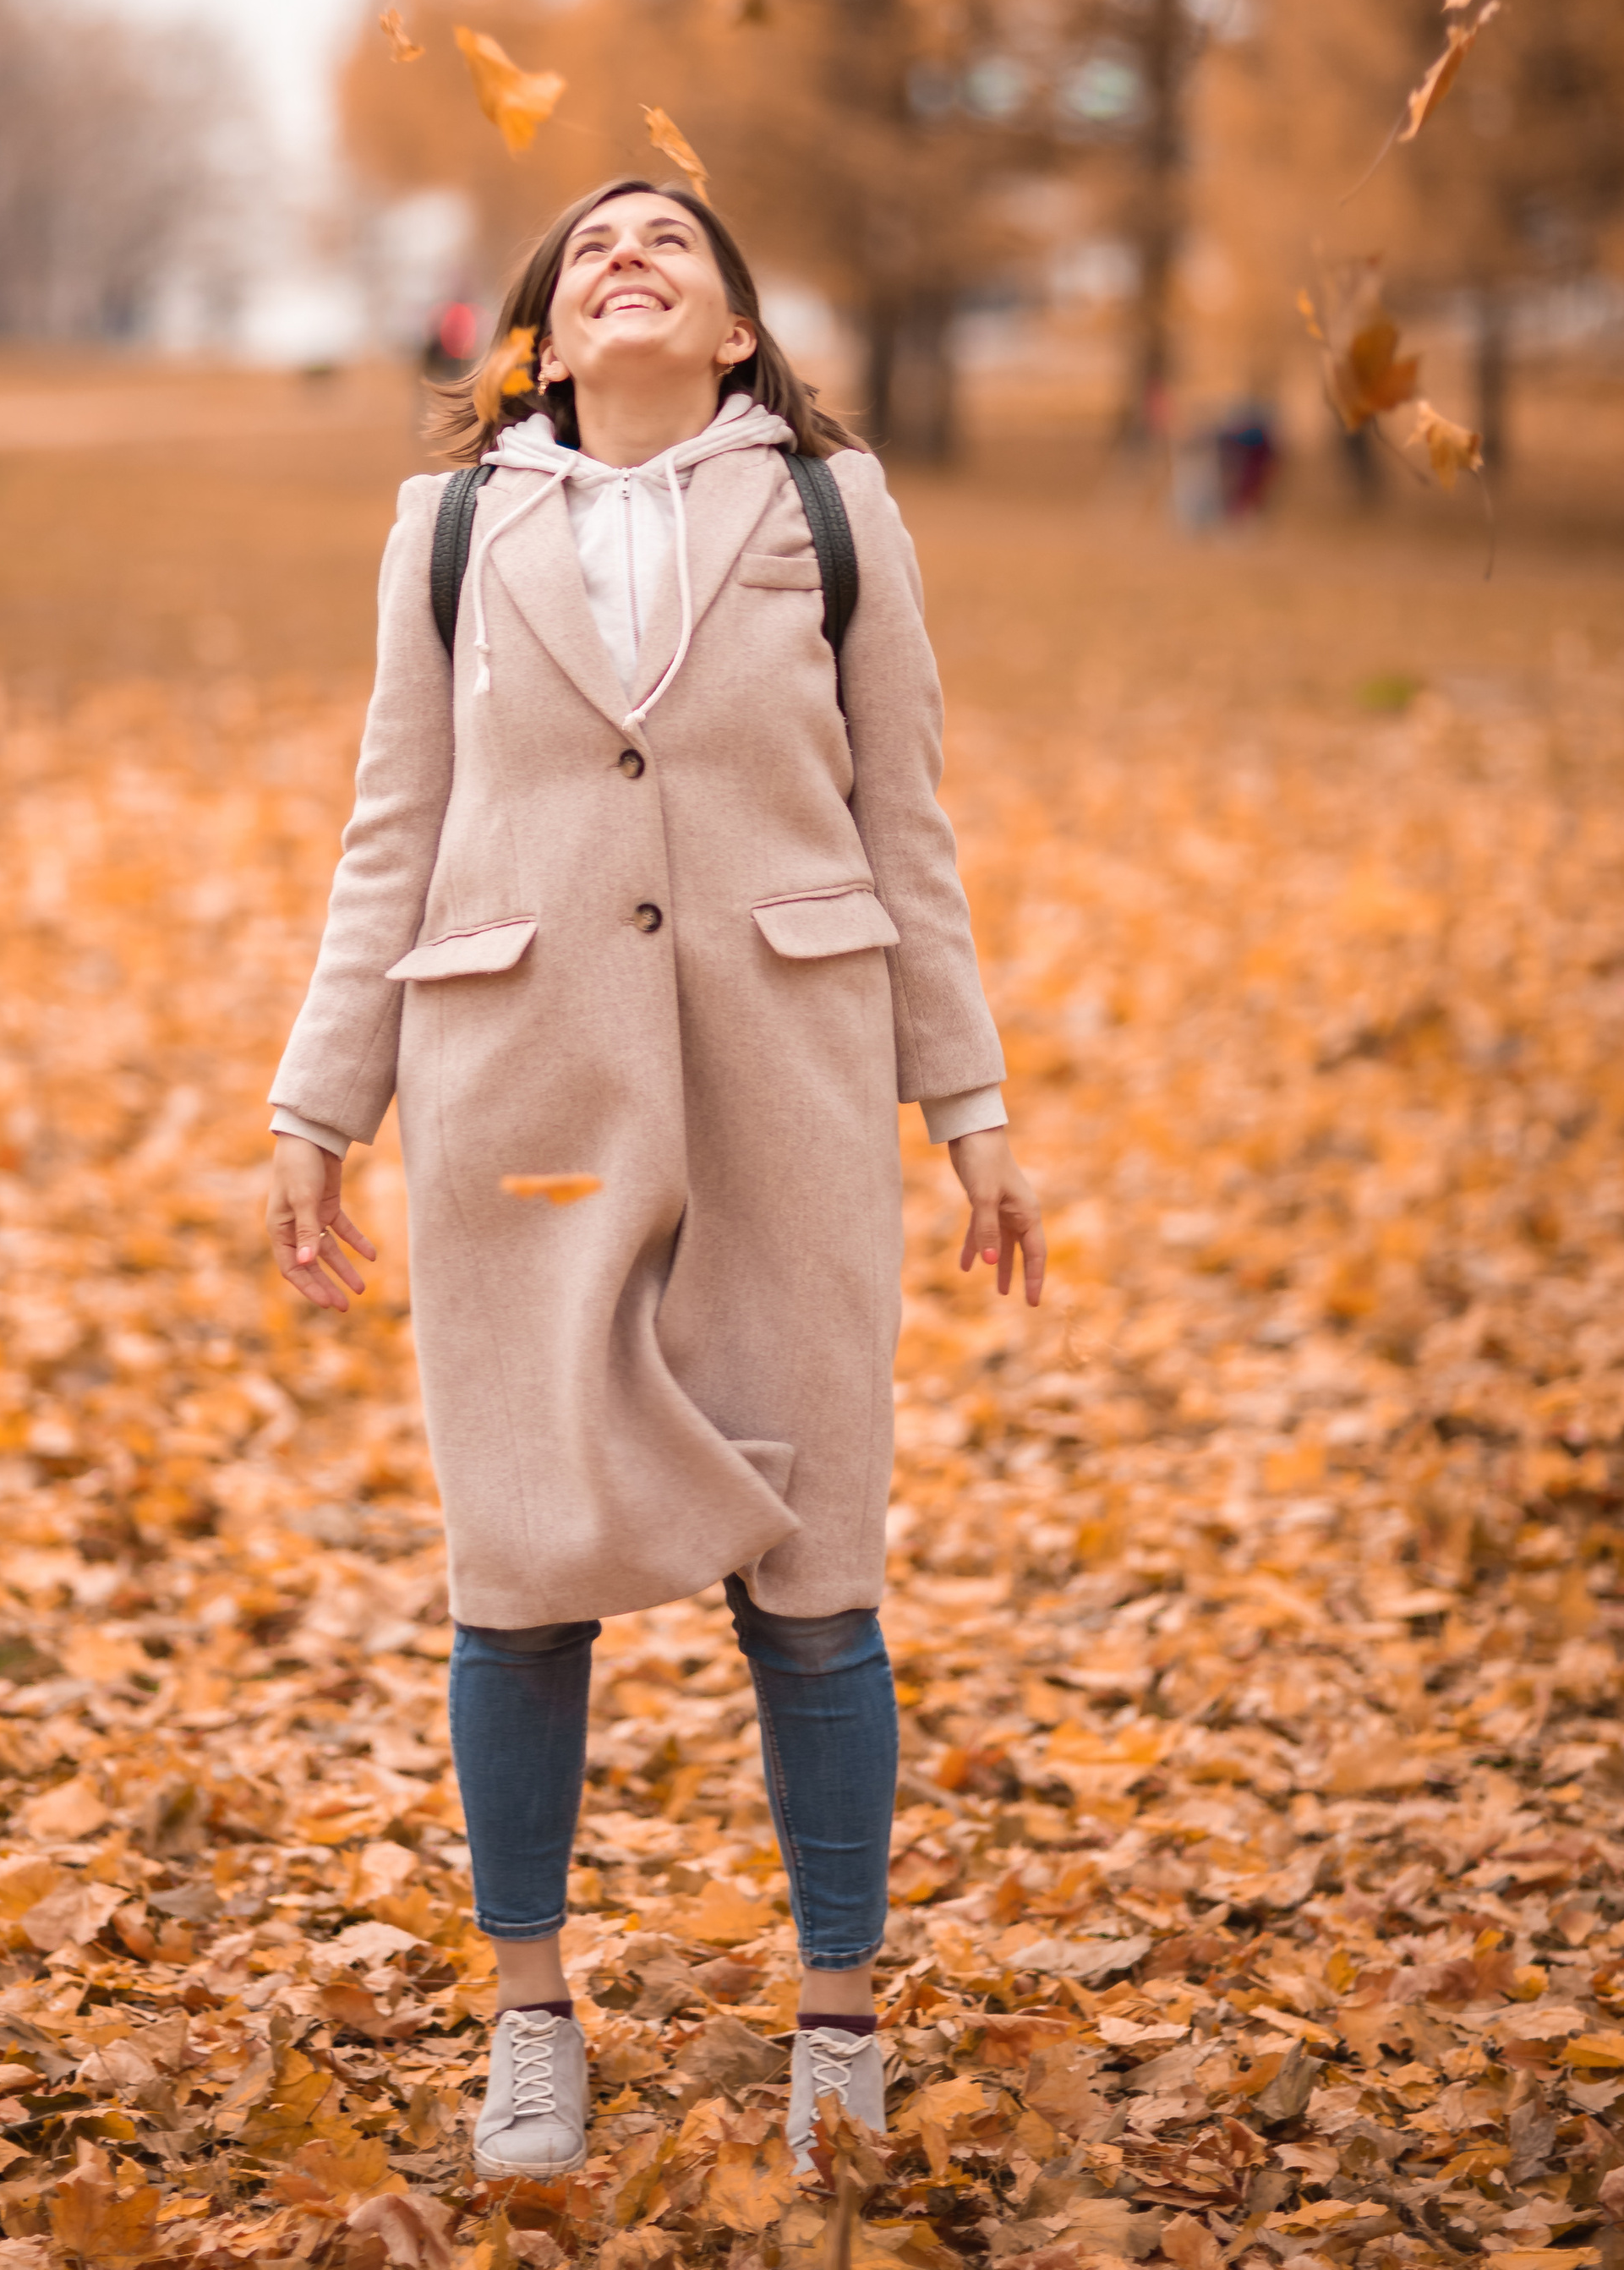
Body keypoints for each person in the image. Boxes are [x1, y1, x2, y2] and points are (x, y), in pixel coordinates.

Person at [266, 178, 1043, 2184]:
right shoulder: (448, 527)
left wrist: (969, 1110)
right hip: (515, 1104)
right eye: (590, 245)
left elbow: (907, 821)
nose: (626, 255)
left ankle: (840, 2026)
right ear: (538, 331)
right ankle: (530, 2025)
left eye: (669, 246)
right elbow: (390, 825)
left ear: (728, 333)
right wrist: (313, 1106)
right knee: (520, 1569)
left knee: (813, 1570)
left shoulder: (826, 514)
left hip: (786, 1086)